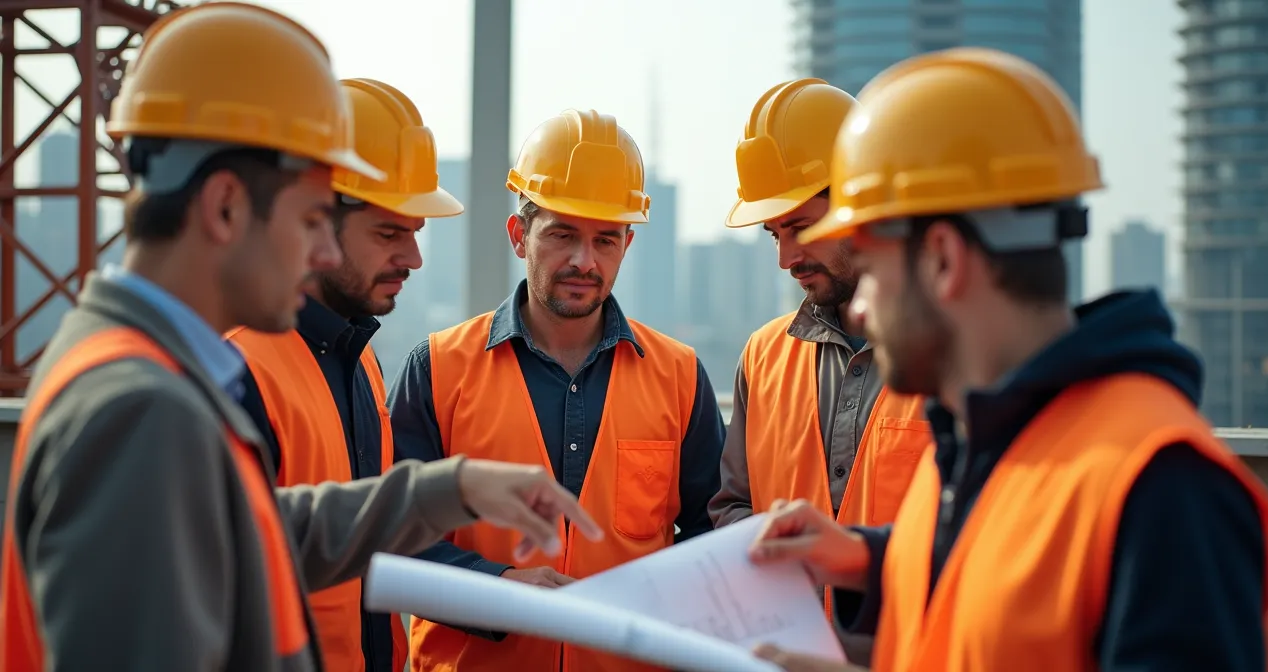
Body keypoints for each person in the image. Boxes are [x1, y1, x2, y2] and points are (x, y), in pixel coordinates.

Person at [0, 5, 600, 671]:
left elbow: (254, 530)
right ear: (225, 206)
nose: (320, 253)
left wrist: (449, 487)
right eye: (313, 218)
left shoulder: (141, 372)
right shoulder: (143, 412)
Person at [748, 47, 1268, 672]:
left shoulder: (1164, 492)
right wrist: (866, 558)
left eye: (869, 272)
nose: (862, 310)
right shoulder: (972, 444)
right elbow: (996, 573)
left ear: (944, 260)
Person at [387, 108, 727, 672]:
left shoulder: (679, 375)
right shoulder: (439, 367)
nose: (583, 261)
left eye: (605, 240)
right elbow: (393, 535)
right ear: (519, 235)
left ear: (628, 245)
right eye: (562, 234)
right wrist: (497, 590)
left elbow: (709, 535)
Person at [227, 77, 464, 672]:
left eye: (414, 234)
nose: (412, 259)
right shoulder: (236, 366)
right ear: (314, 221)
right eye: (389, 233)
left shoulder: (362, 360)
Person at [709, 78, 931, 663]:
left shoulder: (950, 358)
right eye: (775, 233)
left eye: (801, 226)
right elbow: (732, 507)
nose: (787, 258)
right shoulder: (762, 356)